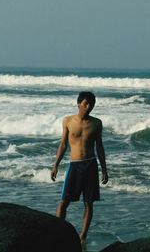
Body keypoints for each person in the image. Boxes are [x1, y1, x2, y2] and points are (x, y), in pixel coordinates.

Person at [51, 91, 109, 244]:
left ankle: (82, 236)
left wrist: (104, 169)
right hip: (74, 165)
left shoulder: (97, 123)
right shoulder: (68, 121)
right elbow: (63, 144)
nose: (89, 107)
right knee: (64, 201)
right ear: (78, 104)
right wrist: (55, 165)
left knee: (88, 202)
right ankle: (57, 232)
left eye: (92, 104)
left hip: (90, 164)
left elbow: (100, 147)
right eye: (86, 104)